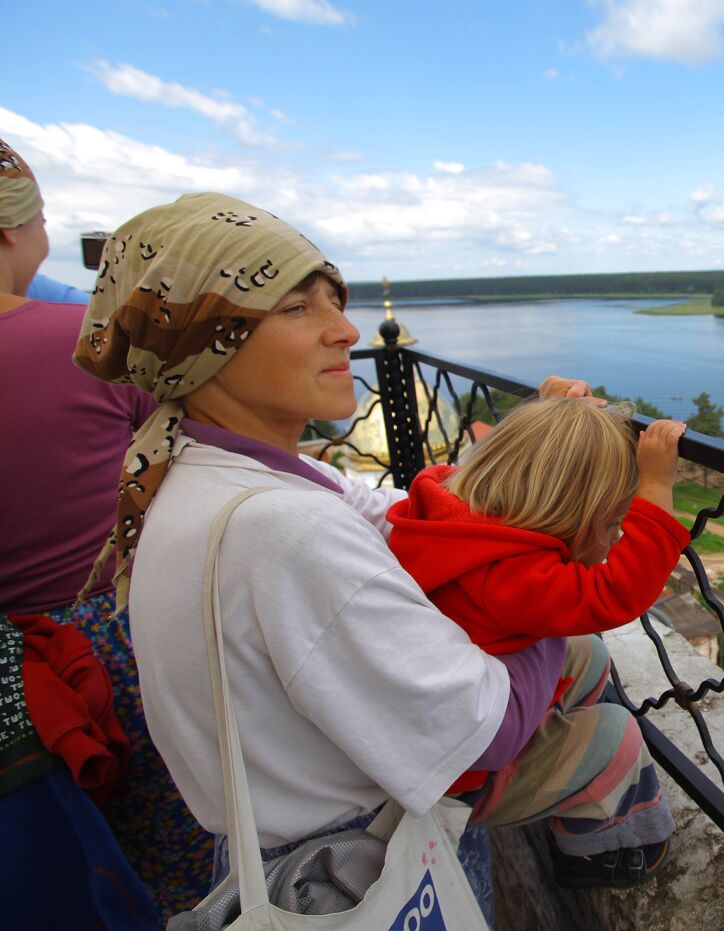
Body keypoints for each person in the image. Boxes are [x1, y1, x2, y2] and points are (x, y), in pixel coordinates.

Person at [70, 191, 676, 906]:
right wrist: (552, 580)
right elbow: (493, 733)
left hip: (279, 806)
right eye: (296, 307)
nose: (345, 331)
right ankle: (615, 849)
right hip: (361, 854)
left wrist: (540, 434)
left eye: (335, 301)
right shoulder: (280, 529)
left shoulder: (207, 466)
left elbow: (404, 511)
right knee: (606, 726)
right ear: (206, 342)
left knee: (582, 657)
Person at [0, 135, 210, 919]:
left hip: (14, 673)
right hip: (116, 642)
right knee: (171, 850)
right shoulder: (77, 347)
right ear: (13, 230)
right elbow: (186, 451)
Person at [386, 399, 688, 872]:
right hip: (463, 775)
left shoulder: (452, 519)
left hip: (447, 723)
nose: (614, 541)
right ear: (567, 515)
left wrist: (559, 410)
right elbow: (614, 595)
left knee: (583, 651)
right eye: (612, 525)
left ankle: (560, 736)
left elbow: (534, 456)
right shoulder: (504, 575)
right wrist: (655, 487)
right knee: (618, 739)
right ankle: (605, 853)